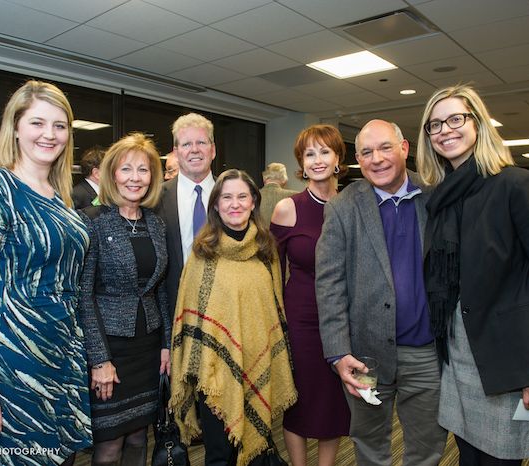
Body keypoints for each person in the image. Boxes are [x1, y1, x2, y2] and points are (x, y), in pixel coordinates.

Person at [416, 84, 529, 464]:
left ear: (478, 123)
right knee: (468, 455)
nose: (445, 131)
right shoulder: (440, 198)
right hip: (457, 350)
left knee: (501, 458)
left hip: (508, 354)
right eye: (435, 125)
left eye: (455, 119)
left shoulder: (516, 184)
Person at [0, 80, 92, 465]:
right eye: (37, 123)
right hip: (14, 359)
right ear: (15, 128)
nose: (50, 134)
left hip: (62, 354)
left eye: (60, 126)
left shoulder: (60, 197)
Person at [316, 120, 447, 466]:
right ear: (358, 159)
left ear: (404, 148)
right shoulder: (342, 207)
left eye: (385, 147)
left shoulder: (436, 195)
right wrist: (338, 352)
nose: (376, 159)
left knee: (428, 447)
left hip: (426, 352)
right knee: (370, 445)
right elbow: (329, 285)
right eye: (366, 152)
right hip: (365, 355)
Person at [170, 169, 297, 466]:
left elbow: (273, 310)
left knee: (257, 451)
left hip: (257, 363)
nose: (235, 204)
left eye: (242, 196)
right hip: (215, 374)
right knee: (219, 455)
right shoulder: (202, 254)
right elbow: (193, 320)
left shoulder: (266, 250)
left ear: (253, 202)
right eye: (227, 197)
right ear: (216, 205)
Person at [78, 132, 170, 466]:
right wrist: (99, 360)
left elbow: (159, 289)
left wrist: (166, 344)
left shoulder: (156, 224)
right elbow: (84, 296)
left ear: (152, 177)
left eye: (143, 170)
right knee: (109, 446)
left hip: (148, 347)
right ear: (112, 174)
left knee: (138, 437)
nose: (135, 178)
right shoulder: (92, 221)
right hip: (110, 348)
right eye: (126, 169)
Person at [270, 125, 349, 466]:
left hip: (343, 319)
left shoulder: (352, 205)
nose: (317, 160)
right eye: (309, 154)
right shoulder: (288, 208)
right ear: (301, 162)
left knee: (334, 402)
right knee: (299, 402)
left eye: (324, 152)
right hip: (300, 320)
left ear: (337, 158)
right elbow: (271, 271)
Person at [155, 113, 216, 317]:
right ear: (176, 152)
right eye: (186, 144)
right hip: (174, 308)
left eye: (201, 142)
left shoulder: (230, 196)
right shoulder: (155, 199)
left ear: (213, 150)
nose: (194, 149)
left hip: (224, 307)